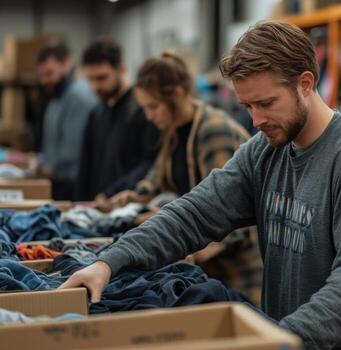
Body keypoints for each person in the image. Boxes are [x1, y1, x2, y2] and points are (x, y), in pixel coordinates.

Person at [60, 21, 341, 349]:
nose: (256, 121)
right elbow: (194, 214)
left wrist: (283, 338)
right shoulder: (265, 150)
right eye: (247, 106)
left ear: (306, 83)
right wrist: (109, 262)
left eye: (267, 104)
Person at [108, 51, 262, 304]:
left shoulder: (214, 130)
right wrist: (134, 197)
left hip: (238, 274)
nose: (149, 116)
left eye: (153, 106)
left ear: (177, 95)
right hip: (208, 272)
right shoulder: (174, 132)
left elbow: (230, 209)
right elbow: (157, 176)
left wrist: (184, 244)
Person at [74, 37, 159, 205]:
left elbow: (150, 163)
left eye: (102, 78)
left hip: (129, 206)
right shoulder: (97, 113)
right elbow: (86, 166)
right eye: (90, 79)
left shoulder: (144, 110)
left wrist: (111, 193)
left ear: (121, 69)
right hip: (97, 208)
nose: (95, 87)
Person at [36, 40, 98, 200]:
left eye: (49, 73)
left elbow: (71, 150)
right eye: (41, 75)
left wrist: (48, 169)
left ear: (67, 63)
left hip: (72, 185)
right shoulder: (58, 96)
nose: (45, 81)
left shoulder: (78, 96)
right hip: (59, 180)